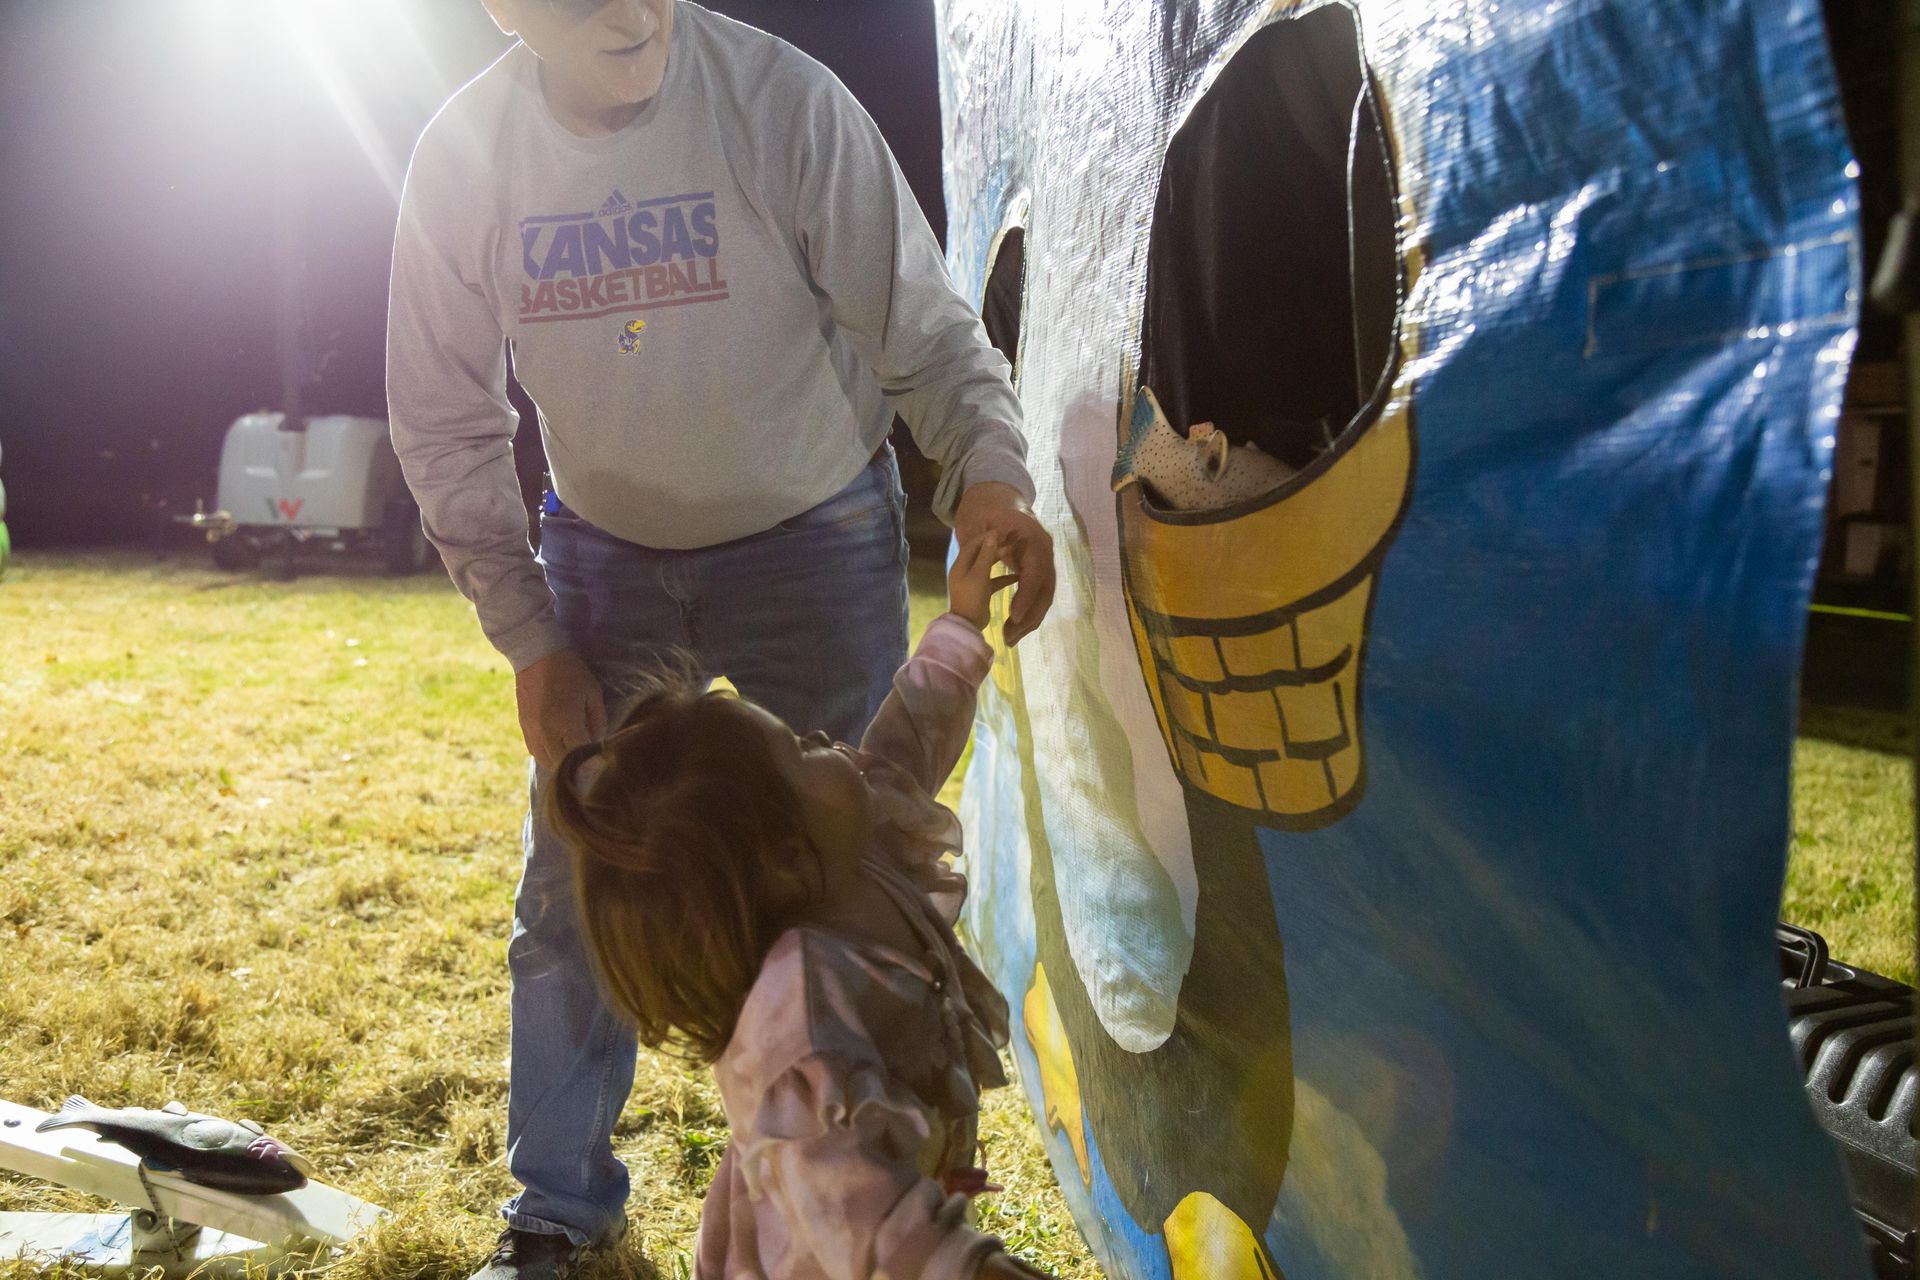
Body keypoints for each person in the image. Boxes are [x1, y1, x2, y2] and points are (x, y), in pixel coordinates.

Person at [384, 1, 1055, 1276]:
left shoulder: (783, 103)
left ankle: (892, 1186)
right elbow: (441, 414)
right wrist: (532, 634)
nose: (635, 14)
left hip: (814, 525)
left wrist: (989, 468)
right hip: (602, 548)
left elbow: (920, 322)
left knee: (862, 849)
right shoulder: (464, 158)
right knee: (580, 879)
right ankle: (558, 1213)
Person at [546, 534, 1051, 1280]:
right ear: (781, 857)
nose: (834, 746)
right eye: (805, 748)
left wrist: (962, 625)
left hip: (902, 1193)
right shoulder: (797, 1020)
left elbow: (906, 744)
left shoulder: (844, 845)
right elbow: (857, 1212)